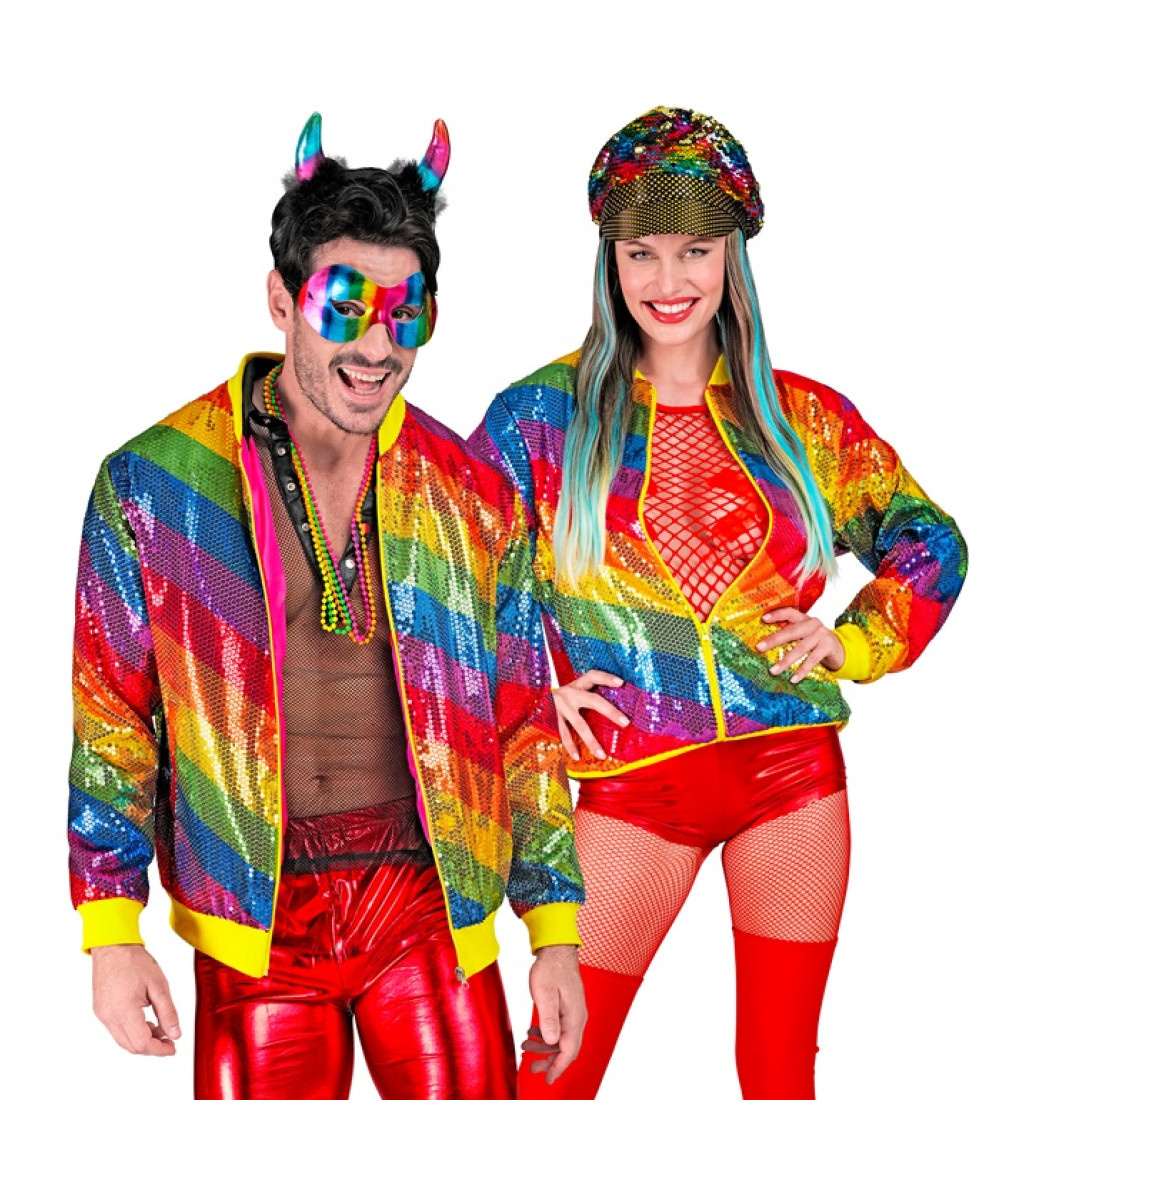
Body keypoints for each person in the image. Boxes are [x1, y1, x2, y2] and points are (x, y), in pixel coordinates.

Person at [69, 113, 585, 1100]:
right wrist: (110, 929)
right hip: (255, 919)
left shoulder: (474, 495)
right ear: (282, 300)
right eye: (345, 309)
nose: (378, 347)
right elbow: (112, 717)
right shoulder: (156, 485)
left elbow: (523, 717)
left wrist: (553, 931)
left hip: (432, 910)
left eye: (406, 315)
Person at [470, 107, 967, 1099]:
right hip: (632, 788)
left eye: (695, 250)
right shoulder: (540, 420)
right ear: (609, 260)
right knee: (550, 1076)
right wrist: (529, 690)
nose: (669, 280)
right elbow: (445, 578)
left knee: (778, 1076)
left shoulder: (801, 418)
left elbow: (931, 540)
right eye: (641, 253)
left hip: (791, 777)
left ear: (734, 255)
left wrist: (853, 641)